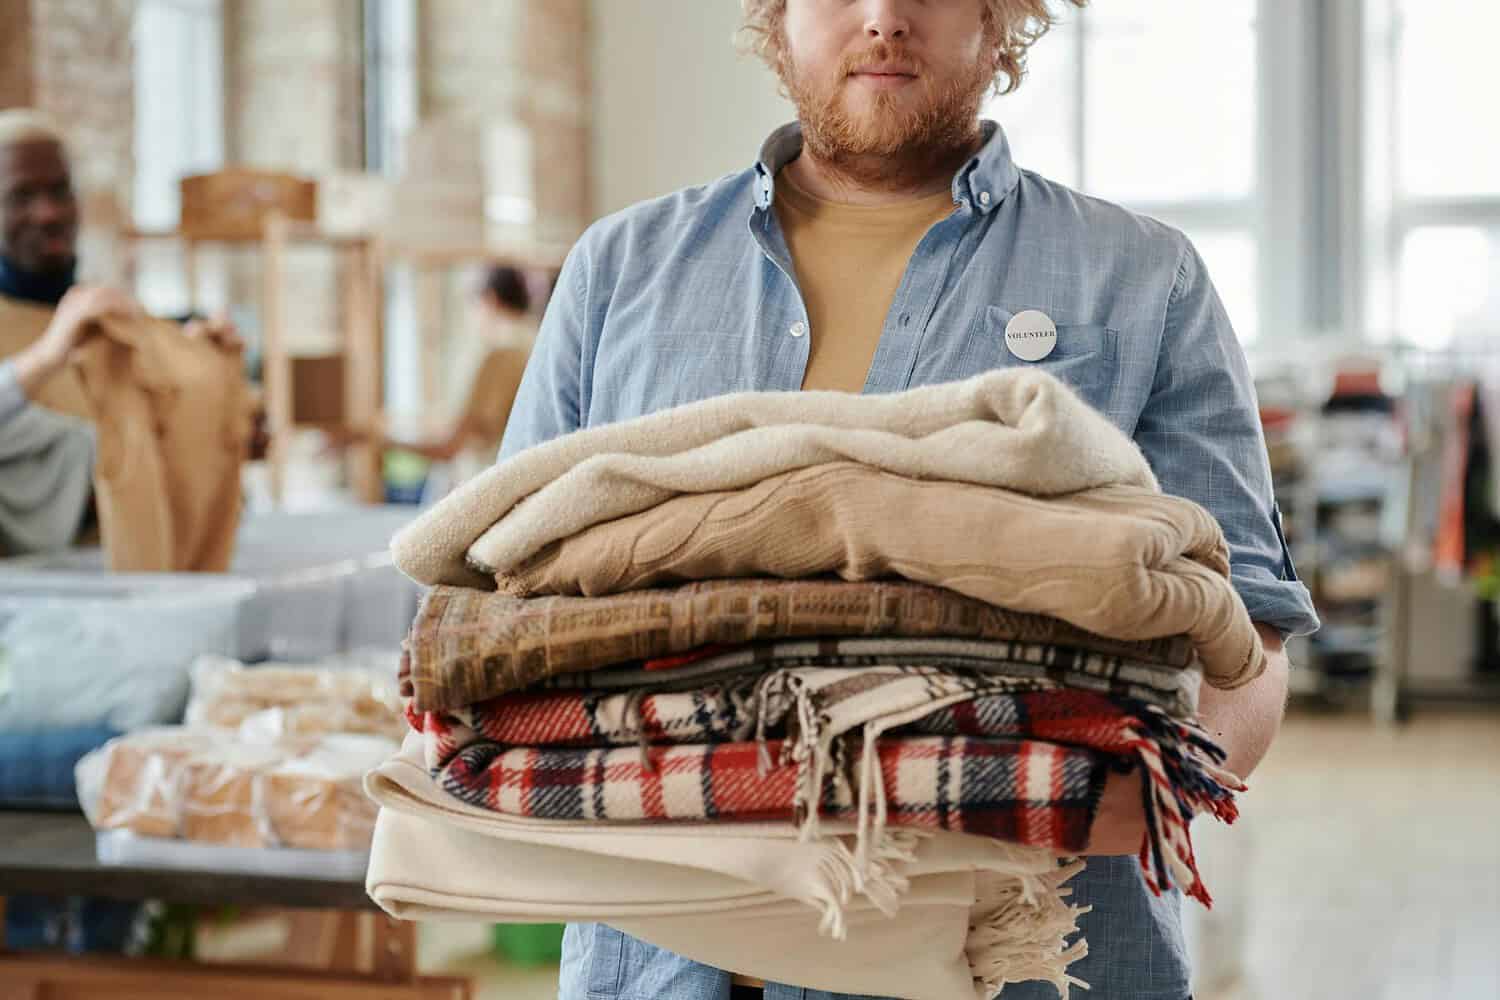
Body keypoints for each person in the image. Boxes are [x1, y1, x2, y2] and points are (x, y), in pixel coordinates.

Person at [503, 2, 1319, 998]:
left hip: (1033, 951)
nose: (885, 17)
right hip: (670, 960)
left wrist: (1162, 794)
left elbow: (1250, 624)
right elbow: (506, 588)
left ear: (1000, 20)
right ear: (779, 19)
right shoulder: (620, 273)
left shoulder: (1143, 278)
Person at [0, 109, 245, 556]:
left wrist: (211, 401)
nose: (48, 213)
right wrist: (46, 356)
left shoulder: (109, 322)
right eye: (21, 196)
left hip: (122, 577)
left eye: (60, 192)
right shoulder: (50, 339)